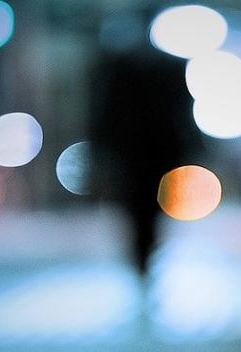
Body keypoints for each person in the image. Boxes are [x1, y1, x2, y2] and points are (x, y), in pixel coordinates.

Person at [90, 12, 199, 275]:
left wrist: (100, 144)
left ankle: (141, 255)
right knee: (152, 206)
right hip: (160, 147)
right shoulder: (171, 66)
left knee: (134, 204)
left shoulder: (119, 66)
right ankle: (146, 251)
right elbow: (183, 111)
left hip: (129, 149)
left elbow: (105, 109)